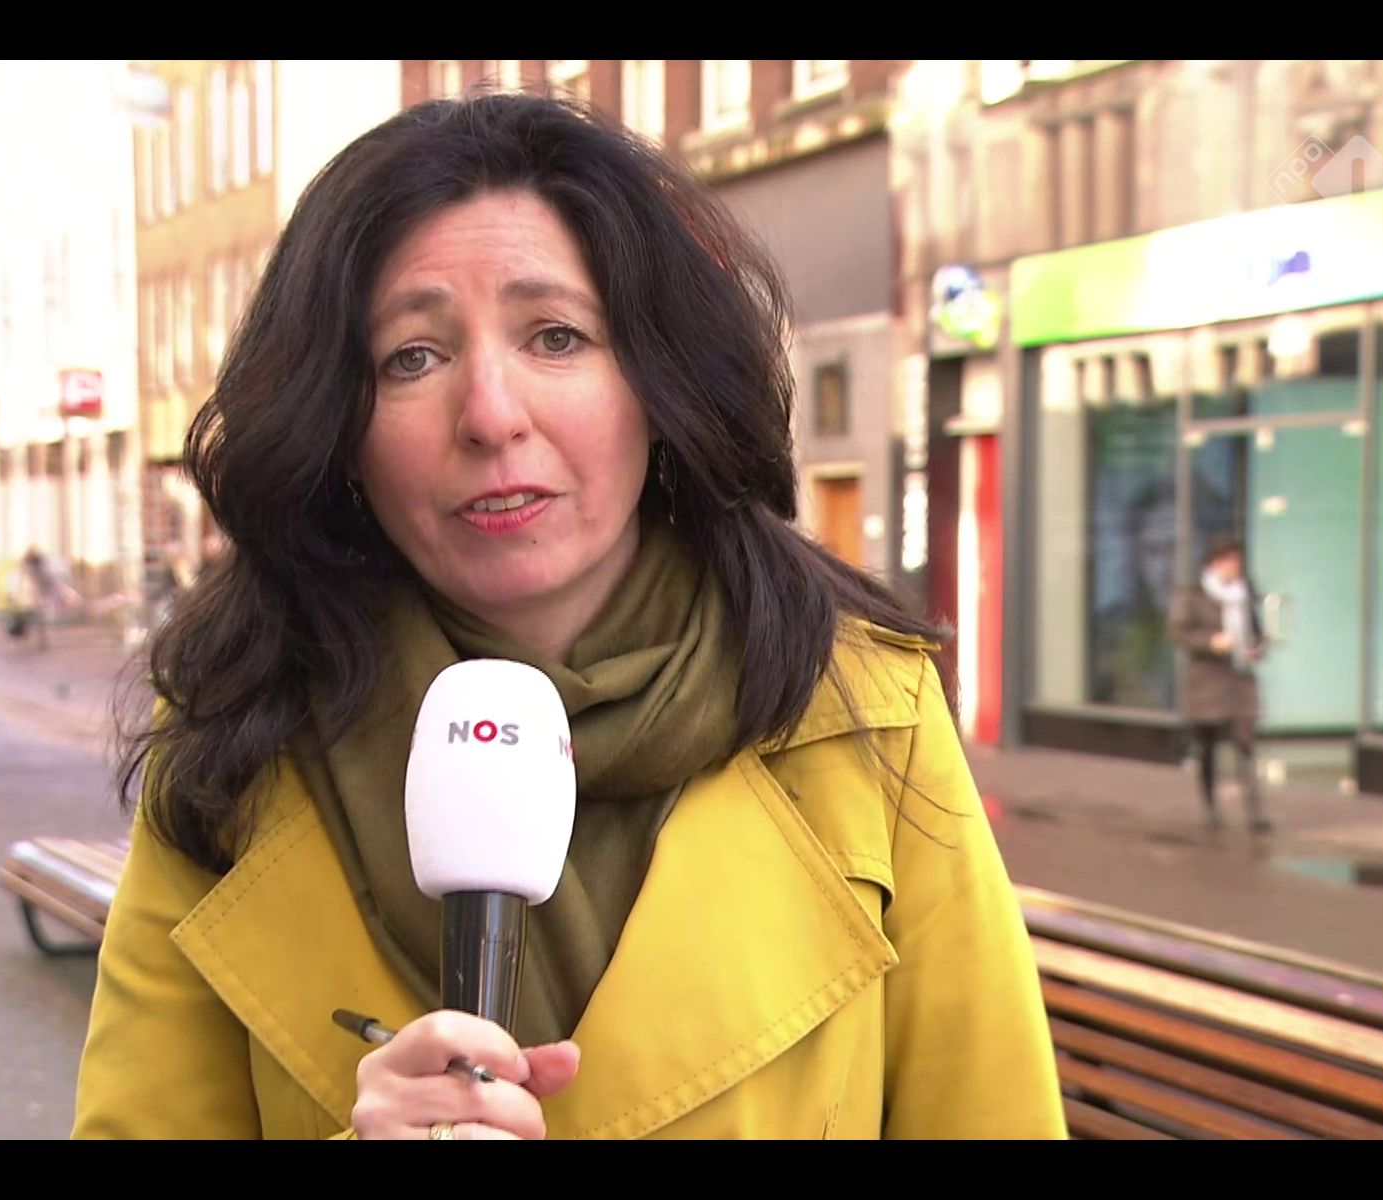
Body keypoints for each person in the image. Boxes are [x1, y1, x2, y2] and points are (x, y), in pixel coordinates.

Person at [75, 92, 1065, 1141]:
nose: (491, 416)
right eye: (413, 356)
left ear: (657, 382)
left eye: (556, 337)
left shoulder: (863, 710)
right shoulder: (235, 738)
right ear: (340, 426)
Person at [1168, 536, 1271, 834]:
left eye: (1237, 561)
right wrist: (1211, 641)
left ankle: (1254, 812)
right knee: (1208, 746)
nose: (1234, 567)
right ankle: (1211, 807)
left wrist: (1257, 648)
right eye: (1229, 561)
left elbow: (1256, 631)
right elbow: (1178, 632)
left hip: (1240, 682)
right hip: (1207, 683)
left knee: (1245, 745)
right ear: (1215, 563)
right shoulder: (1193, 594)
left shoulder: (1245, 593)